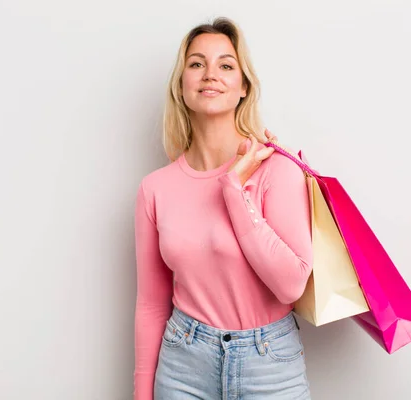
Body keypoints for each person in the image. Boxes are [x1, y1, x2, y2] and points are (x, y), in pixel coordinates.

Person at [133, 16, 313, 400]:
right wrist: (141, 395)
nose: (209, 74)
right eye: (196, 64)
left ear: (243, 87)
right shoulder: (155, 189)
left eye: (225, 65)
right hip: (183, 365)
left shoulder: (276, 170)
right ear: (181, 86)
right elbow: (151, 304)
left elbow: (291, 285)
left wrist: (234, 188)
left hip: (269, 368)